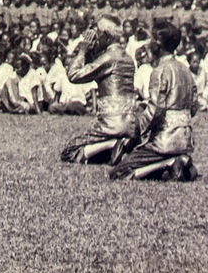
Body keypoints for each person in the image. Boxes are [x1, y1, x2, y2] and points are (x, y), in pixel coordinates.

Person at [110, 23, 198, 181]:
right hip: (185, 141)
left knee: (119, 172)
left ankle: (169, 163)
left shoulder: (160, 71)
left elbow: (155, 110)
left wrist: (134, 132)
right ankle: (179, 163)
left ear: (158, 43)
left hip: (164, 142)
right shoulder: (186, 70)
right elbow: (194, 106)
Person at [60, 15, 139, 164]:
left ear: (106, 36)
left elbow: (74, 75)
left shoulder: (108, 58)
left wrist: (83, 50)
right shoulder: (127, 58)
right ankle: (118, 147)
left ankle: (113, 144)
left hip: (111, 124)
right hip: (130, 124)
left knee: (70, 151)